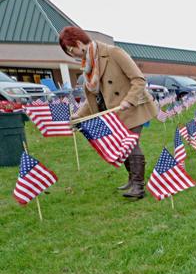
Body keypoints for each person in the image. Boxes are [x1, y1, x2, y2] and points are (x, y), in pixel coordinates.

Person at [59, 26, 157, 199]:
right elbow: (95, 97)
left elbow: (139, 80)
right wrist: (79, 115)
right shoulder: (88, 65)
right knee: (122, 146)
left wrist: (129, 100)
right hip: (112, 112)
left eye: (70, 49)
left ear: (78, 42)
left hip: (133, 107)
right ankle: (131, 179)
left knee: (130, 143)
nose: (72, 54)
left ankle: (138, 187)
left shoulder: (113, 53)